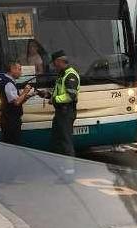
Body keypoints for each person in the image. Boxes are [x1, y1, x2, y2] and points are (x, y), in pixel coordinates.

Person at [39, 50, 80, 180]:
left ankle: (69, 174)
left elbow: (70, 96)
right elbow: (59, 93)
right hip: (60, 112)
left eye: (55, 63)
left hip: (66, 112)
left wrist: (54, 100)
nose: (54, 66)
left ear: (59, 61)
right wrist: (47, 94)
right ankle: (61, 169)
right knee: (57, 141)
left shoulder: (70, 76)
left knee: (65, 142)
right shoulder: (62, 75)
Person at [0, 61, 35, 182]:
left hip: (9, 119)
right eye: (19, 69)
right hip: (10, 121)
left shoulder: (9, 82)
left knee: (9, 148)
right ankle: (9, 177)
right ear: (12, 69)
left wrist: (26, 97)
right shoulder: (8, 83)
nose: (21, 72)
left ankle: (5, 176)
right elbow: (16, 102)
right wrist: (25, 92)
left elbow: (15, 101)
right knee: (12, 148)